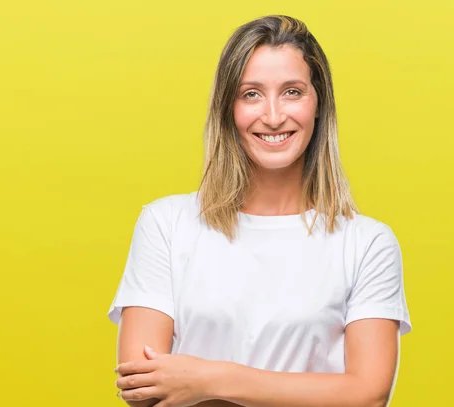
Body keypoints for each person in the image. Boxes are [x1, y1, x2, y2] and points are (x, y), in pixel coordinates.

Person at [107, 14, 412, 407]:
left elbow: (368, 394)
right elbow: (142, 387)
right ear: (228, 109)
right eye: (251, 93)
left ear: (318, 103)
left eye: (292, 92)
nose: (272, 116)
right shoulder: (166, 225)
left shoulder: (367, 244)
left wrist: (211, 378)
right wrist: (313, 391)